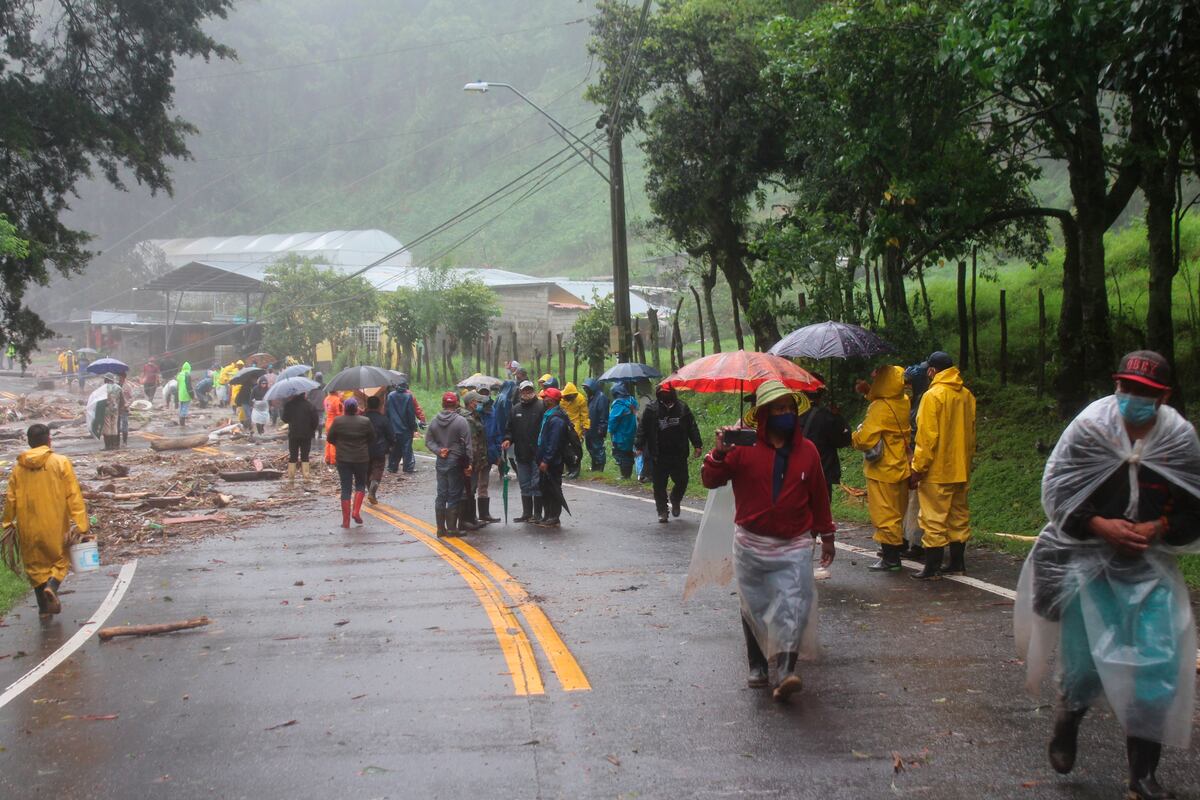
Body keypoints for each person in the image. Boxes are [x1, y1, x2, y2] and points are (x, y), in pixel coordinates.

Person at [1015, 351, 1200, 800]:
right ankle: (1068, 718)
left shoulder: (1178, 438)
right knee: (1085, 667)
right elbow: (1058, 491)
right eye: (1127, 389)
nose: (1134, 398)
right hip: (1085, 562)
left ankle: (1142, 776)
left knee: (1158, 664)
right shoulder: (1091, 429)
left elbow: (1194, 504)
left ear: (1165, 397)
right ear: (1116, 386)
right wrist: (1099, 524)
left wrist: (1158, 527)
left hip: (1148, 565)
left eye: (1146, 393)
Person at [702, 380, 835, 701]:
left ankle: (787, 669)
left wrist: (827, 534)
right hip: (751, 543)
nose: (785, 414)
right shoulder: (742, 450)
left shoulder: (809, 452)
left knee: (794, 602)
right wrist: (719, 453)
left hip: (795, 543)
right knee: (754, 604)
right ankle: (758, 665)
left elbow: (819, 495)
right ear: (763, 414)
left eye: (790, 408)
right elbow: (710, 479)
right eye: (778, 409)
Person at [2, 424, 90, 618]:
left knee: (35, 566)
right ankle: (52, 586)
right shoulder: (60, 462)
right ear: (49, 440)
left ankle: (43, 610)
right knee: (61, 559)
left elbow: (11, 498)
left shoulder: (19, 467)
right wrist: (81, 523)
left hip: (28, 526)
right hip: (55, 524)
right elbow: (73, 494)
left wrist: (7, 523)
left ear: (28, 442)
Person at [910, 351, 976, 580]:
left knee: (933, 519)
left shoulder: (932, 396)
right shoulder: (966, 395)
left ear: (932, 371)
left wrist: (917, 468)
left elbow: (927, 437)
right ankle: (957, 563)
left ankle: (932, 568)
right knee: (958, 517)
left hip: (937, 470)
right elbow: (971, 433)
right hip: (961, 468)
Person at [851, 365, 912, 572]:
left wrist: (852, 436)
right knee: (897, 511)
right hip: (901, 465)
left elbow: (866, 439)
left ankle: (891, 559)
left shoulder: (879, 407)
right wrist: (869, 392)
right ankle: (896, 551)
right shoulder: (903, 401)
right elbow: (885, 404)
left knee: (884, 514)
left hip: (882, 469)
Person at [636, 383, 702, 523]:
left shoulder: (682, 408)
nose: (665, 395)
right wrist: (639, 445)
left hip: (679, 453)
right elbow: (643, 428)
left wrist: (697, 445)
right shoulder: (651, 409)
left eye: (667, 392)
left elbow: (692, 427)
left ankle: (675, 498)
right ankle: (662, 511)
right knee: (659, 485)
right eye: (662, 392)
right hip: (658, 454)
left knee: (682, 481)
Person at [798, 378, 853, 503]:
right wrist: (838, 417)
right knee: (821, 512)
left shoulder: (792, 412)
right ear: (822, 394)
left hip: (798, 471)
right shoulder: (827, 417)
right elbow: (842, 441)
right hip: (823, 472)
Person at [427, 391, 472, 536]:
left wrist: (439, 451)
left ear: (442, 404)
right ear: (456, 404)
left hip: (441, 461)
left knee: (441, 495)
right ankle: (452, 528)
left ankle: (440, 529)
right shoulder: (461, 421)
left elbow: (428, 441)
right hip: (456, 462)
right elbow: (467, 445)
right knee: (454, 494)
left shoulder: (434, 421)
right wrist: (469, 464)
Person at [326, 397, 374, 528]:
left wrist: (340, 444)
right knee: (360, 485)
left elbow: (330, 438)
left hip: (343, 459)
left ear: (345, 408)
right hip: (361, 458)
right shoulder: (365, 421)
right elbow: (372, 438)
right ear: (356, 408)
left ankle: (346, 522)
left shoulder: (338, 421)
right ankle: (356, 511)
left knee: (345, 488)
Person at [502, 381, 544, 523]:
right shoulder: (515, 409)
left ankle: (537, 514)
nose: (527, 393)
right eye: (524, 390)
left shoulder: (541, 406)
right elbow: (509, 429)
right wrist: (508, 439)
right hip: (521, 453)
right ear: (520, 392)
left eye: (529, 390)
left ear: (534, 390)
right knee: (524, 484)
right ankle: (527, 513)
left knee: (537, 484)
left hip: (537, 454)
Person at [535, 387, 570, 528]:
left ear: (552, 400)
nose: (543, 399)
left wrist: (546, 460)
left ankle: (554, 517)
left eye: (546, 397)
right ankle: (548, 515)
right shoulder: (549, 414)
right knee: (544, 487)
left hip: (553, 461)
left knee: (553, 488)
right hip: (545, 459)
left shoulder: (557, 419)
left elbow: (553, 442)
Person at [457, 392, 488, 530]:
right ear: (471, 403)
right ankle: (465, 520)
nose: (479, 404)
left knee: (472, 489)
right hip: (470, 460)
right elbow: (470, 442)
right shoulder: (467, 419)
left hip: (476, 459)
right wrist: (470, 462)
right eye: (477, 401)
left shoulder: (474, 416)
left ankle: (472, 518)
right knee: (467, 489)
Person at [280, 389, 319, 486]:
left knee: (293, 456)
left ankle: (291, 479)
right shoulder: (310, 405)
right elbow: (315, 421)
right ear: (304, 394)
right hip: (306, 435)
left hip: (293, 434)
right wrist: (311, 430)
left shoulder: (289, 405)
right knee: (305, 456)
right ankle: (306, 478)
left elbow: (284, 419)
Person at [361, 395, 394, 505]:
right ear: (379, 406)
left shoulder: (362, 419)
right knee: (378, 468)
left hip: (364, 449)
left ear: (368, 405)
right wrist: (391, 445)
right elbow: (391, 435)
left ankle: (369, 487)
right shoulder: (383, 419)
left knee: (367, 470)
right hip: (380, 449)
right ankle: (373, 486)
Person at [478, 388, 503, 523]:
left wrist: (498, 454)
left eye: (486, 394)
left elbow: (497, 434)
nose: (484, 397)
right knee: (470, 486)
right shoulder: (473, 413)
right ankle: (467, 516)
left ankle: (484, 514)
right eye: (481, 394)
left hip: (488, 454)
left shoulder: (493, 412)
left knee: (483, 484)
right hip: (474, 455)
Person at [385, 377, 419, 474]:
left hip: (393, 428)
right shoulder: (408, 397)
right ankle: (408, 468)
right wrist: (414, 427)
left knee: (395, 448)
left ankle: (392, 467)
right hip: (405, 428)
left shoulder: (390, 396)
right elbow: (410, 414)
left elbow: (387, 412)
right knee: (407, 448)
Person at [608, 382, 639, 479]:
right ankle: (627, 474)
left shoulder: (618, 404)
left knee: (621, 454)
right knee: (629, 453)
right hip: (632, 431)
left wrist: (611, 431)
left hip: (621, 433)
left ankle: (625, 475)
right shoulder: (632, 401)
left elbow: (613, 420)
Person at [559, 382, 590, 479]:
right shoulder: (561, 398)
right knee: (565, 449)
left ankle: (575, 470)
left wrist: (586, 426)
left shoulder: (581, 399)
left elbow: (584, 414)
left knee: (576, 449)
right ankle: (568, 470)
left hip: (576, 426)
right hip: (564, 425)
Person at [582, 378, 609, 472]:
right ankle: (594, 467)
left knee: (598, 448)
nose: (586, 391)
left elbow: (603, 414)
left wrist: (601, 428)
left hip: (597, 428)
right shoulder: (591, 397)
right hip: (590, 428)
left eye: (587, 389)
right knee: (590, 447)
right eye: (585, 389)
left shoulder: (601, 397)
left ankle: (599, 468)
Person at [99, 374, 123, 450]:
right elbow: (122, 399)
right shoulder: (118, 387)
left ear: (106, 379)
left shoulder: (104, 388)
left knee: (107, 427)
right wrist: (120, 408)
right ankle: (114, 445)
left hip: (106, 410)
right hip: (115, 409)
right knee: (114, 426)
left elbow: (100, 400)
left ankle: (108, 446)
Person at [324, 390, 344, 464]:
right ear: (335, 391)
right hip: (335, 422)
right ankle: (334, 460)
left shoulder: (326, 398)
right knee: (334, 441)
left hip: (328, 421)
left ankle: (327, 458)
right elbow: (339, 412)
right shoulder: (336, 400)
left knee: (328, 441)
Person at [308, 372, 327, 440]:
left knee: (312, 420)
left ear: (315, 378)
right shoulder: (325, 386)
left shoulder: (312, 385)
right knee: (320, 420)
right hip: (321, 406)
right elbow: (326, 395)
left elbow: (308, 396)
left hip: (313, 406)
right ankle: (320, 434)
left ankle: (313, 434)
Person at [117, 372, 134, 445]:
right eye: (119, 377)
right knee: (117, 425)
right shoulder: (116, 386)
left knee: (124, 424)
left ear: (124, 377)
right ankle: (117, 441)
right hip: (117, 408)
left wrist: (126, 405)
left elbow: (131, 398)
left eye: (121, 377)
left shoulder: (128, 386)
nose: (119, 378)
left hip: (124, 408)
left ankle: (124, 441)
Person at [176, 361, 193, 428]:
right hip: (186, 394)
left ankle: (181, 421)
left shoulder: (179, 374)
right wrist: (192, 395)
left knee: (181, 407)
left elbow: (177, 385)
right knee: (185, 407)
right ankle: (182, 423)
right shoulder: (187, 374)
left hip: (180, 394)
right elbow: (189, 386)